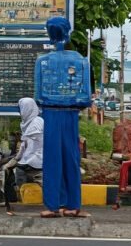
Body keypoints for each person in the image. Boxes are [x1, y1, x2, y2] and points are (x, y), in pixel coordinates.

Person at [34, 16, 91, 219]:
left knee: (52, 161)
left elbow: (38, 96)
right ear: (68, 33)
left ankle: (52, 206)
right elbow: (85, 97)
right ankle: (73, 205)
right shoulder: (80, 61)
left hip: (50, 114)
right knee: (72, 160)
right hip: (71, 115)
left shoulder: (42, 61)